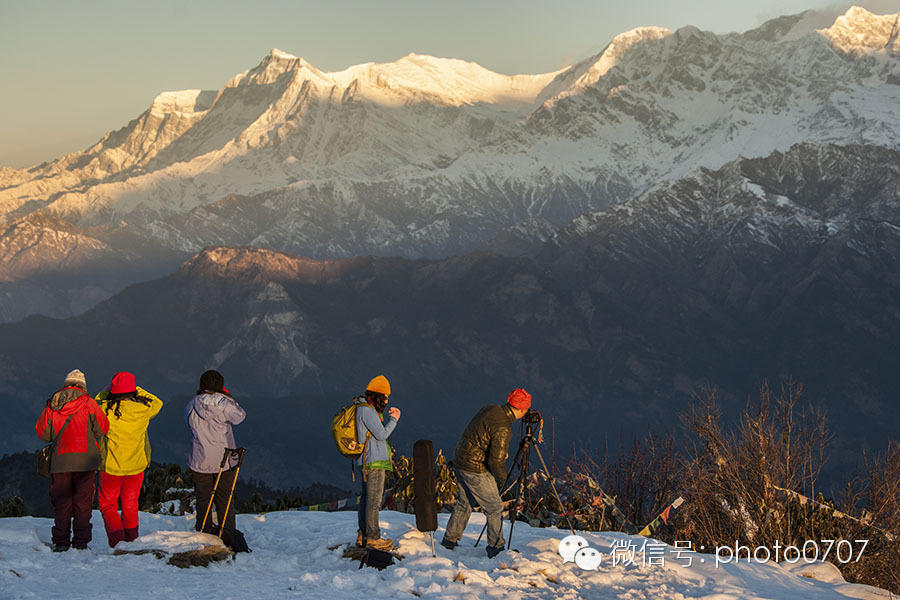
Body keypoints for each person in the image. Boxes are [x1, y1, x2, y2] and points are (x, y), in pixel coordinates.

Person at [441, 388, 531, 558]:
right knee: (495, 507)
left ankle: (449, 540)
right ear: (522, 410)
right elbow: (495, 462)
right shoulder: (504, 427)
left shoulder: (490, 408)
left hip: (460, 460)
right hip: (475, 468)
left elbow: (479, 435)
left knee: (464, 502)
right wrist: (505, 479)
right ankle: (496, 548)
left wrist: (495, 451)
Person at [34, 369, 110, 551]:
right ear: (83, 386)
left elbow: (43, 433)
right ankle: (80, 543)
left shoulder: (52, 404)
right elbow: (103, 428)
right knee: (83, 504)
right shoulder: (90, 403)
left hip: (60, 462)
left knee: (62, 504)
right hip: (87, 461)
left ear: (66, 384)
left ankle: (61, 542)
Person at [95, 371, 163, 547]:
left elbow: (95, 404)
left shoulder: (106, 411)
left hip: (111, 468)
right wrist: (137, 389)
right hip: (135, 467)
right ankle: (132, 541)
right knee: (130, 504)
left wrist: (106, 392)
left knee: (108, 506)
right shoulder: (143, 410)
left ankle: (117, 543)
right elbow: (157, 402)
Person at [184, 370, 246, 541]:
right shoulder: (225, 404)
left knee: (203, 499)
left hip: (200, 459)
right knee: (224, 498)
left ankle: (204, 532)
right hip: (224, 459)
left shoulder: (192, 404)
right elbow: (240, 416)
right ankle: (228, 533)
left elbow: (187, 421)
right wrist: (229, 398)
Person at [355, 375, 401, 551]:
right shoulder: (367, 411)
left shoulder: (363, 408)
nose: (387, 401)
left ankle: (363, 534)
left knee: (366, 500)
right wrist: (394, 419)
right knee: (374, 501)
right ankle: (373, 538)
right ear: (378, 396)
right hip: (373, 462)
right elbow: (381, 435)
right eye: (385, 397)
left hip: (367, 461)